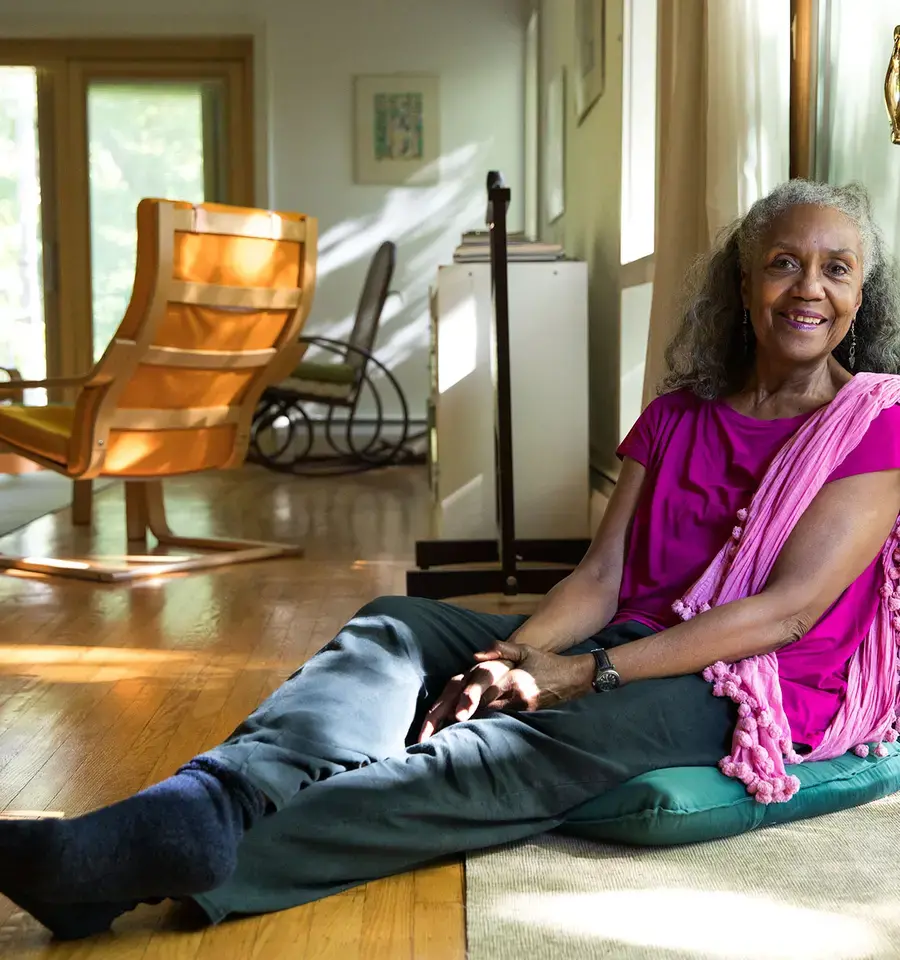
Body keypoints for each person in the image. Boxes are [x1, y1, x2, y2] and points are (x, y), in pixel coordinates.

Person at [4, 179, 900, 942]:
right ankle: (212, 801)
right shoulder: (676, 415)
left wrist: (575, 676)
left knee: (519, 743)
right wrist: (506, 660)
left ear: (862, 296)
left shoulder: (877, 421)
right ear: (743, 284)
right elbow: (600, 577)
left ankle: (150, 859)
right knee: (397, 626)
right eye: (784, 262)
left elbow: (786, 612)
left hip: (749, 680)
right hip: (629, 634)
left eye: (836, 268)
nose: (807, 289)